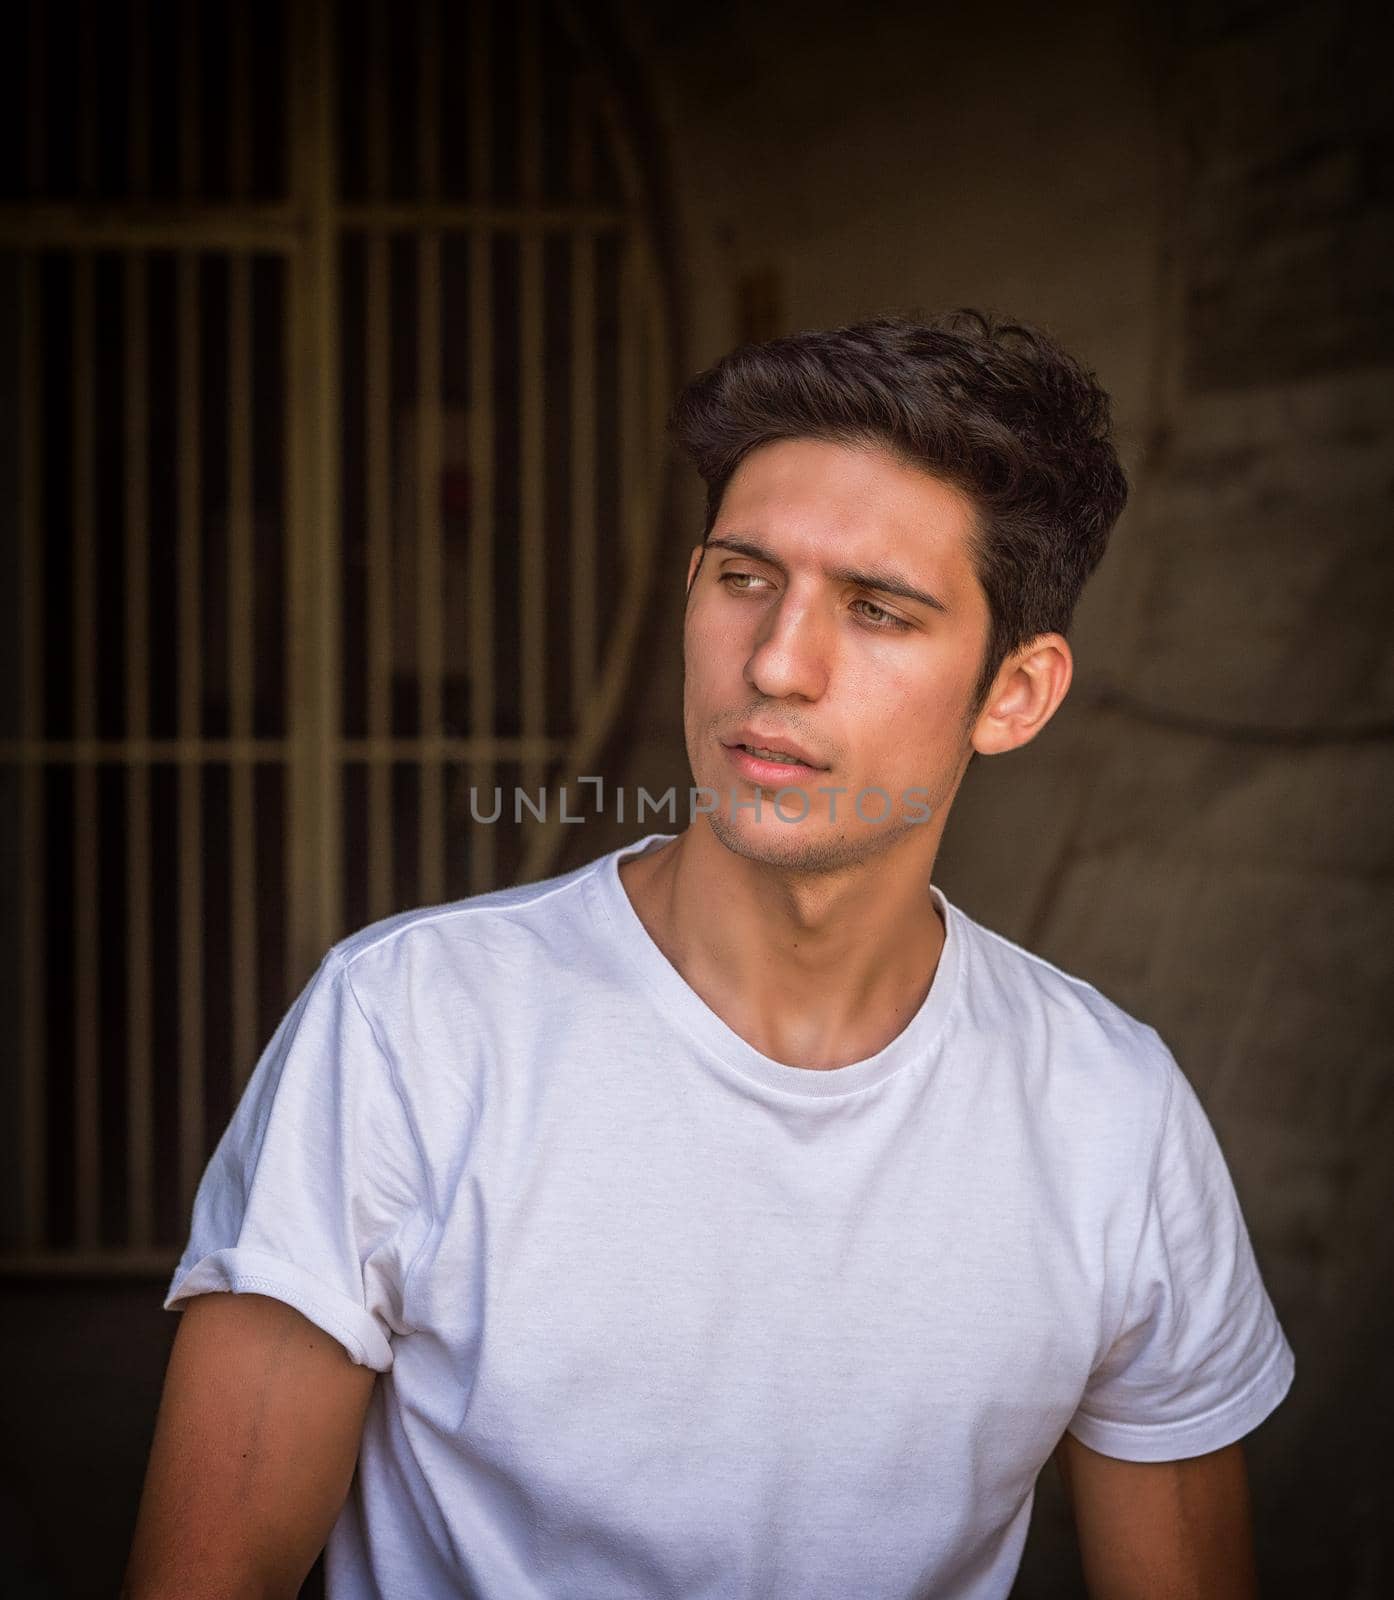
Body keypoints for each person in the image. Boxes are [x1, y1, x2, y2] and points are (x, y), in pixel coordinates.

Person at [124, 311, 1294, 1600]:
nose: (776, 665)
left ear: (1014, 693)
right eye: (744, 578)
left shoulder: (1110, 1114)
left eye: (878, 611)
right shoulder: (410, 1027)